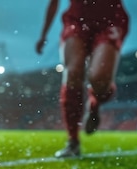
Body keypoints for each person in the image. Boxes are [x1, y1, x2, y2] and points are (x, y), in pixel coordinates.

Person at [36, 0, 129, 157]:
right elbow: (53, 2)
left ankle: (95, 104)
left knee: (99, 79)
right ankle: (73, 141)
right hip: (77, 20)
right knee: (73, 73)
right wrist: (44, 34)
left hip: (110, 19)